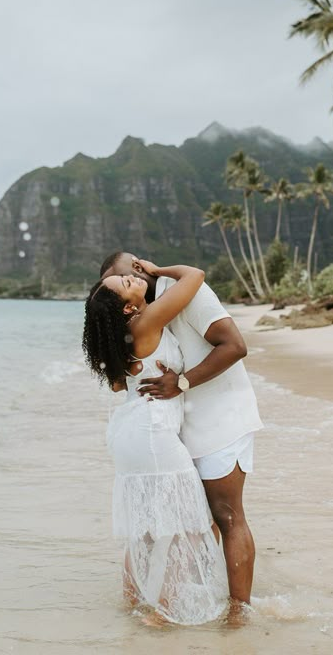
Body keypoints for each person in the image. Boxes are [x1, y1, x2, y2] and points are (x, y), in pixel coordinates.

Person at [100, 252, 264, 622]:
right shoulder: (144, 314)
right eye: (121, 281)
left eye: (129, 274)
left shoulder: (188, 294)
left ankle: (239, 613)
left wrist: (183, 382)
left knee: (225, 515)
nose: (135, 275)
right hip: (175, 426)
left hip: (221, 415)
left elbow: (235, 346)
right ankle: (172, 602)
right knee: (185, 522)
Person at [82, 261, 228, 625]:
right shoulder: (145, 322)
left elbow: (119, 385)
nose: (137, 278)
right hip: (152, 432)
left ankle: (133, 600)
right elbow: (195, 275)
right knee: (192, 524)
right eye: (129, 282)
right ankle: (163, 610)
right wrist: (159, 268)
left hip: (130, 432)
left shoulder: (121, 336)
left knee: (146, 528)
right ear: (129, 307)